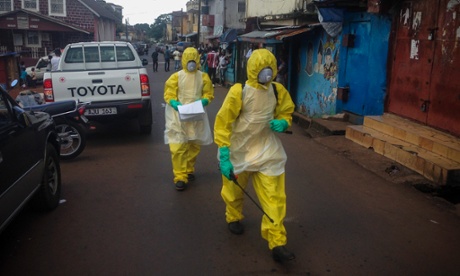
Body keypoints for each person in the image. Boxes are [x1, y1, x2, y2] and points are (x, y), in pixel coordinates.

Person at [214, 48, 296, 262]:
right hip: (239, 151)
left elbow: (286, 111)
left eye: (270, 70)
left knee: (274, 198)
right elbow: (223, 122)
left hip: (267, 150)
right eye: (262, 70)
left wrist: (284, 122)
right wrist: (224, 153)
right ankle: (233, 216)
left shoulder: (277, 91)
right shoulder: (239, 92)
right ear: (253, 69)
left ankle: (277, 241)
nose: (267, 74)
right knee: (234, 191)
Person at [164, 47, 214, 191]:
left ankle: (188, 169)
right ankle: (180, 176)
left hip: (196, 114)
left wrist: (205, 100)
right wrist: (173, 102)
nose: (191, 62)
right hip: (177, 115)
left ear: (197, 59)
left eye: (194, 59)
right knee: (178, 145)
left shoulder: (203, 76)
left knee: (193, 143)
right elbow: (169, 93)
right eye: (189, 59)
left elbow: (208, 93)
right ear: (184, 59)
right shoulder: (176, 77)